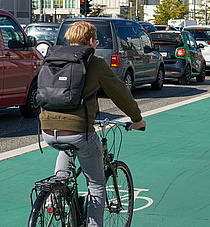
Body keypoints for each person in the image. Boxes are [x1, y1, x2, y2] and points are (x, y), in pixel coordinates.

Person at [39, 21, 146, 227]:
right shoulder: (94, 62)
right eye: (96, 40)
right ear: (90, 41)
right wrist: (136, 119)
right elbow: (120, 93)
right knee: (96, 184)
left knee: (66, 150)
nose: (96, 44)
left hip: (47, 130)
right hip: (78, 131)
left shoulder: (52, 58)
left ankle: (55, 196)